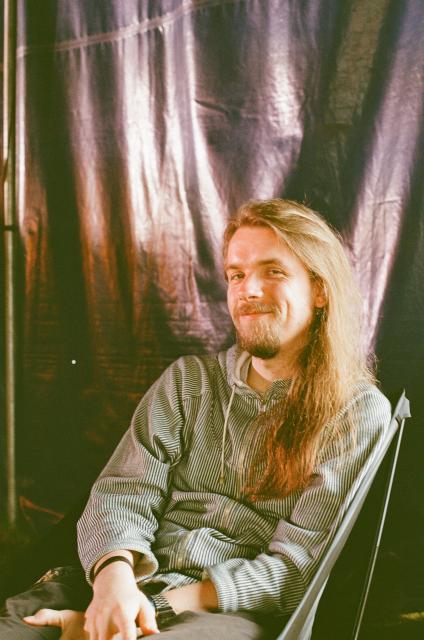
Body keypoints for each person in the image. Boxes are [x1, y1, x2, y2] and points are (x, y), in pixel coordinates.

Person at [0, 199, 391, 639]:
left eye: (273, 271)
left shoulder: (355, 411)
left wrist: (145, 612)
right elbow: (121, 493)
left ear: (320, 290)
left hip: (220, 613)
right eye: (236, 275)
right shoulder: (188, 382)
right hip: (116, 584)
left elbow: (295, 570)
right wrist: (113, 586)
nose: (249, 290)